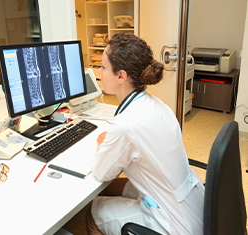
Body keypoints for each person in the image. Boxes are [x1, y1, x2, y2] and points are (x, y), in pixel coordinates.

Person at [86, 32, 204, 235]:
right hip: (195, 207)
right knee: (110, 189)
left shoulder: (126, 124)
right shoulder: (159, 106)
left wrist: (101, 144)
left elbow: (101, 171)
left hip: (174, 225)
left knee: (93, 211)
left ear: (121, 76)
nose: (99, 70)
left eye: (103, 67)